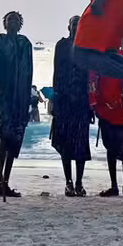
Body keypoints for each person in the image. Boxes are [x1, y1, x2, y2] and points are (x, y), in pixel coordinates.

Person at [0, 11, 33, 198]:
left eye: (16, 20)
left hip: (19, 97)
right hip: (1, 94)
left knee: (13, 139)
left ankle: (6, 181)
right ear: (4, 23)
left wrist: (27, 99)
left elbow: (29, 72)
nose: (13, 22)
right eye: (9, 19)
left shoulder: (25, 44)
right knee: (2, 138)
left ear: (21, 24)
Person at [51, 16, 93, 196]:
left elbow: (92, 77)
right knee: (65, 143)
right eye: (74, 24)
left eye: (79, 24)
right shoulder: (61, 46)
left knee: (81, 143)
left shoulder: (87, 47)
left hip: (82, 102)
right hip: (64, 100)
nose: (76, 27)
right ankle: (68, 182)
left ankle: (79, 182)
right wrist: (54, 100)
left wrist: (92, 104)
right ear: (68, 26)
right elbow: (56, 72)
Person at [91, 73, 123, 197]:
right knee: (111, 149)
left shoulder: (111, 66)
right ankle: (116, 186)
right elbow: (94, 87)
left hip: (121, 112)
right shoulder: (102, 68)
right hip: (106, 112)